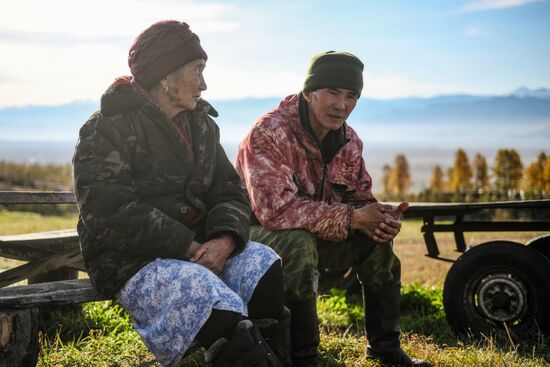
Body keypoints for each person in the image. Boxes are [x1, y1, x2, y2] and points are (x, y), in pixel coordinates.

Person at [73, 20, 290, 367]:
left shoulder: (201, 126)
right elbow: (108, 211)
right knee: (204, 292)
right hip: (130, 260)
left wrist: (224, 242)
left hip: (203, 248)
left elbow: (230, 191)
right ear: (166, 77)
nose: (204, 83)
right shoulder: (107, 128)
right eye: (198, 70)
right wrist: (186, 247)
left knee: (262, 264)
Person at [235, 51, 431, 367]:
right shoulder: (269, 132)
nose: (342, 105)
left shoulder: (348, 140)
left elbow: (359, 198)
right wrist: (352, 218)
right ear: (309, 93)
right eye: (333, 92)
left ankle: (385, 348)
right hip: (255, 240)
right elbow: (275, 211)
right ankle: (304, 356)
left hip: (316, 234)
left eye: (351, 96)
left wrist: (378, 218)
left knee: (375, 237)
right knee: (297, 242)